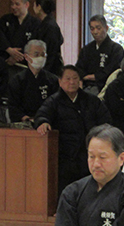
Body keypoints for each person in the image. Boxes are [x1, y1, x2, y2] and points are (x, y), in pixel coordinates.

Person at [34, 65, 112, 195]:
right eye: (68, 79)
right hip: (65, 154)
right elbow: (42, 115)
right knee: (66, 191)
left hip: (89, 152)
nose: (72, 82)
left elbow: (106, 120)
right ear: (60, 81)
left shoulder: (91, 100)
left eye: (75, 78)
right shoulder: (54, 101)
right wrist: (43, 122)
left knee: (90, 189)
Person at [7, 40, 59, 123]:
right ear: (26, 57)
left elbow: (56, 105)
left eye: (43, 55)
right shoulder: (17, 80)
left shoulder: (53, 80)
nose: (40, 58)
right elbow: (13, 107)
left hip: (47, 122)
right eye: (36, 54)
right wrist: (26, 119)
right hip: (25, 123)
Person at [75, 15, 124, 94]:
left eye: (98, 28)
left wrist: (90, 77)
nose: (95, 32)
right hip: (86, 85)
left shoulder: (116, 49)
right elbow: (79, 68)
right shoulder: (87, 49)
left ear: (106, 28)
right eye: (92, 29)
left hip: (106, 87)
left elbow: (112, 71)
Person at [0, 0, 41, 79]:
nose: (13, 7)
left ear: (26, 4)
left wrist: (17, 56)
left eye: (17, 4)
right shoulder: (4, 20)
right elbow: (0, 39)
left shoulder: (36, 23)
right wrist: (9, 50)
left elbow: (36, 45)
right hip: (6, 64)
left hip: (26, 66)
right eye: (12, 4)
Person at [32, 0, 64, 75]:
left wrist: (43, 72)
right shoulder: (45, 23)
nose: (33, 7)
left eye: (34, 5)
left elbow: (51, 52)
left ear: (39, 7)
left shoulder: (50, 26)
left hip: (50, 70)